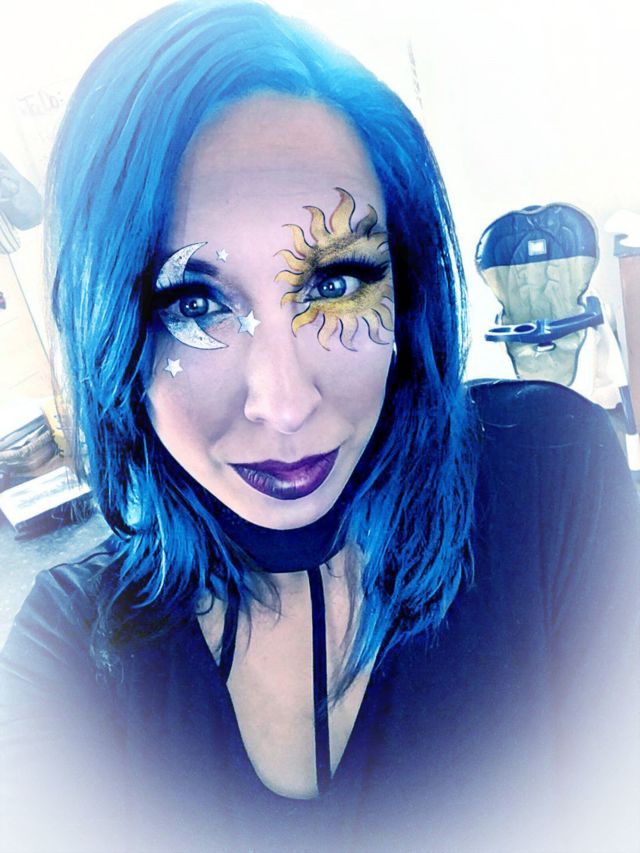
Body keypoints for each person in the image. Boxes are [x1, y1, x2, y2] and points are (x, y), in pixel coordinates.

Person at [1, 3, 638, 852]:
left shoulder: (550, 476)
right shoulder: (69, 660)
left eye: (335, 284)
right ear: (112, 329)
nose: (286, 403)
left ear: (405, 286)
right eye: (193, 303)